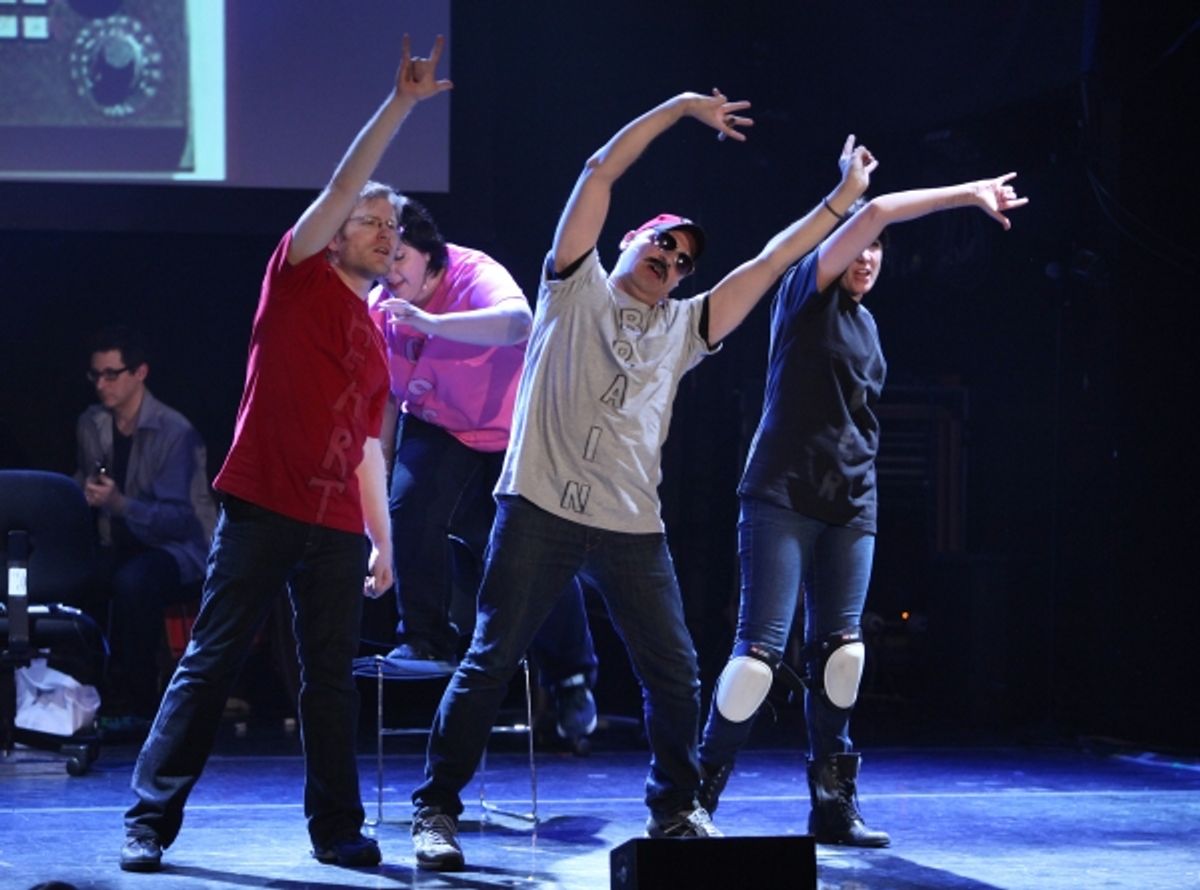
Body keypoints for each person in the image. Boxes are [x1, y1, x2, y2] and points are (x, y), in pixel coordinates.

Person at [408, 88, 876, 872]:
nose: (670, 263)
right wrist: (683, 107)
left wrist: (841, 201)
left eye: (684, 261)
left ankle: (675, 809)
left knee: (677, 672)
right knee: (491, 659)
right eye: (662, 246)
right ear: (630, 241)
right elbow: (599, 169)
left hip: (630, 526)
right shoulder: (572, 287)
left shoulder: (684, 325)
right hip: (539, 506)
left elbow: (767, 265)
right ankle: (437, 811)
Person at [118, 36, 452, 873]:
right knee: (214, 657)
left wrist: (381, 539)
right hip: (264, 505)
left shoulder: (376, 342)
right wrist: (402, 105)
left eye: (392, 225)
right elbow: (345, 180)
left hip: (336, 524)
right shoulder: (296, 276)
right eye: (369, 221)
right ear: (335, 232)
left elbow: (369, 451)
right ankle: (150, 820)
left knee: (330, 680)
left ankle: (337, 829)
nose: (383, 232)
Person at [696, 171, 1028, 846]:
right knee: (757, 659)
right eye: (859, 248)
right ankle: (695, 793)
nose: (868, 258)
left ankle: (832, 801)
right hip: (782, 494)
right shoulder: (801, 294)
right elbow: (873, 211)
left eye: (877, 253)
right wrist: (968, 195)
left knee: (843, 656)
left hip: (851, 503)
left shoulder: (869, 326)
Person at [367, 199, 600, 742]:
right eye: (384, 258)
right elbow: (381, 399)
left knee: (529, 554)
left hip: (508, 433)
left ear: (433, 256)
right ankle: (425, 636)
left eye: (400, 257)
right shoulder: (379, 305)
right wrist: (376, 494)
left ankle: (570, 677)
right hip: (436, 426)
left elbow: (519, 322)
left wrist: (431, 322)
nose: (391, 270)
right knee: (409, 508)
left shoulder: (475, 273)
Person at [73, 324, 215, 737]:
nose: (102, 384)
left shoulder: (174, 431)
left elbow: (179, 519)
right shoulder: (92, 423)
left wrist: (120, 504)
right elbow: (83, 476)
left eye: (111, 374)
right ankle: (89, 692)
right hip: (116, 541)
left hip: (177, 549)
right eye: (95, 375)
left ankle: (138, 701)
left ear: (139, 373)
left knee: (135, 582)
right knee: (83, 579)